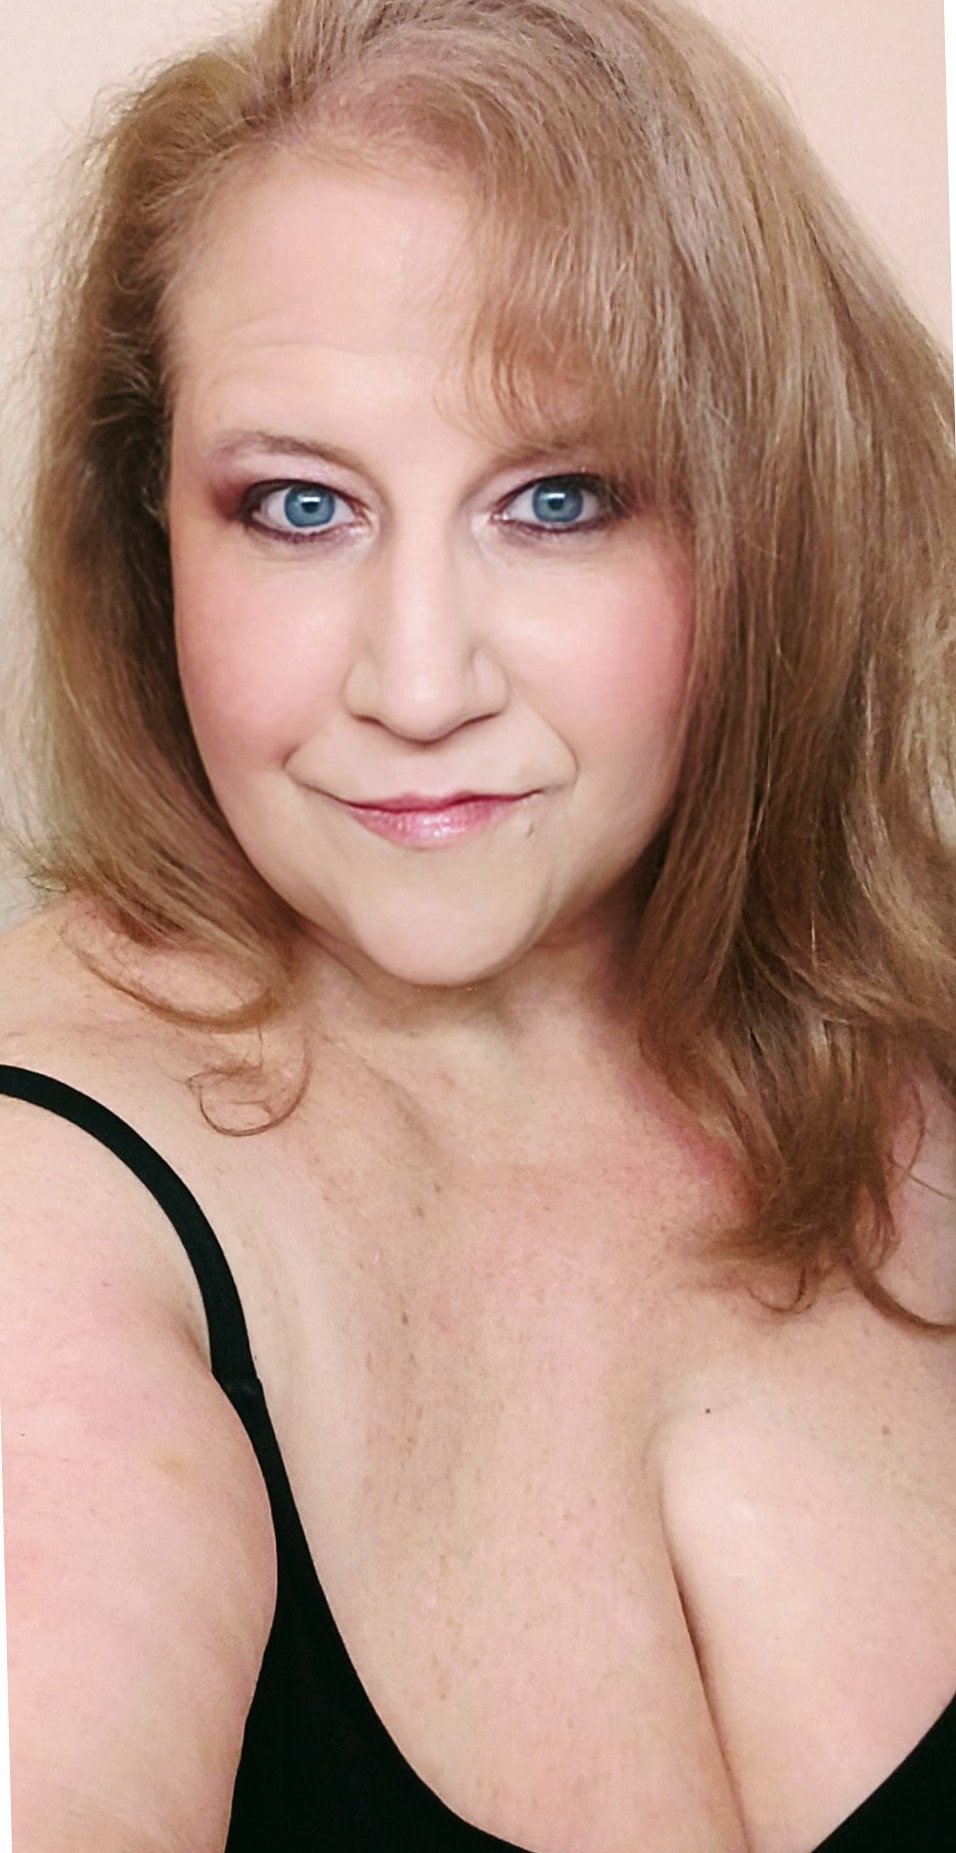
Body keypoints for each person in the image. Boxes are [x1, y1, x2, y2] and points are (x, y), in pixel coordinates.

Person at [0, 0, 953, 1847]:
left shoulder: (915, 1051)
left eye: (558, 498)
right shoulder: (48, 1205)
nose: (420, 682)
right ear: (148, 530)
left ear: (775, 517)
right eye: (300, 506)